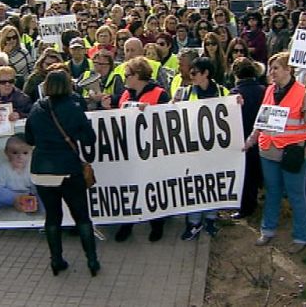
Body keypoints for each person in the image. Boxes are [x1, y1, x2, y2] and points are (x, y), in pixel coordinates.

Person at [242, 52, 306, 254]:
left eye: (276, 68)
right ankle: (267, 230)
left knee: (296, 194)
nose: (272, 72)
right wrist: (251, 141)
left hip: (293, 152)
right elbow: (263, 120)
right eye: (270, 68)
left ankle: (301, 236)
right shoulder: (269, 90)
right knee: (272, 191)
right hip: (268, 151)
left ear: (288, 69)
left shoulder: (303, 92)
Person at [24, 69, 100, 277]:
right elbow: (89, 139)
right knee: (82, 218)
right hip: (67, 169)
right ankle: (92, 261)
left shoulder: (36, 108)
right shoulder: (73, 107)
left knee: (52, 218)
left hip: (41, 170)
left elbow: (29, 139)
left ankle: (56, 260)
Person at [103, 57, 171, 242]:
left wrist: (149, 112)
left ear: (138, 75)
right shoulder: (126, 94)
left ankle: (157, 224)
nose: (124, 79)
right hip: (129, 150)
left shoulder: (159, 94)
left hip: (151, 152)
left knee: (153, 188)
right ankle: (128, 222)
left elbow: (167, 121)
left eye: (127, 75)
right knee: (129, 187)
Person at [175, 57, 229, 240]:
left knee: (213, 183)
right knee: (194, 185)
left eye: (194, 73)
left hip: (216, 150)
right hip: (193, 150)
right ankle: (194, 222)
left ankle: (211, 219)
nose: (191, 76)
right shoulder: (185, 93)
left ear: (206, 73)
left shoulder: (223, 92)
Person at [229, 57, 266, 219]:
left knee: (246, 176)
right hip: (262, 138)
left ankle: (246, 207)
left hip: (243, 140)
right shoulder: (264, 90)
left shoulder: (235, 94)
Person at [0, 136, 38, 211]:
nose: (20, 156)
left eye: (25, 153)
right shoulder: (3, 168)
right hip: (9, 196)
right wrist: (14, 198)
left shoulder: (33, 167)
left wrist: (33, 196)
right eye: (15, 153)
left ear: (31, 153)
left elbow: (37, 186)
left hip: (29, 196)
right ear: (6, 152)